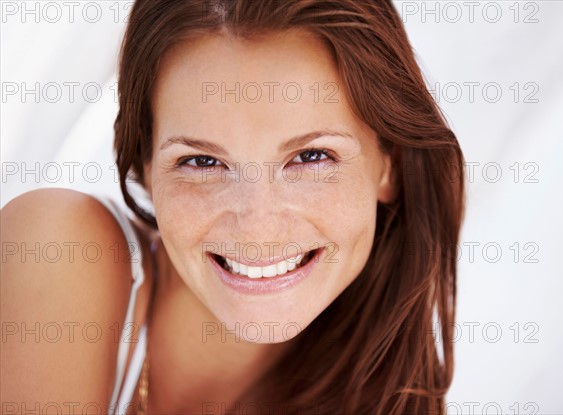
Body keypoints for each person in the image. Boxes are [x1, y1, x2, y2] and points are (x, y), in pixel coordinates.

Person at [1, 0, 465, 413]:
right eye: (202, 161)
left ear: (390, 165)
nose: (259, 224)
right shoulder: (58, 249)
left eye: (311, 157)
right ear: (143, 166)